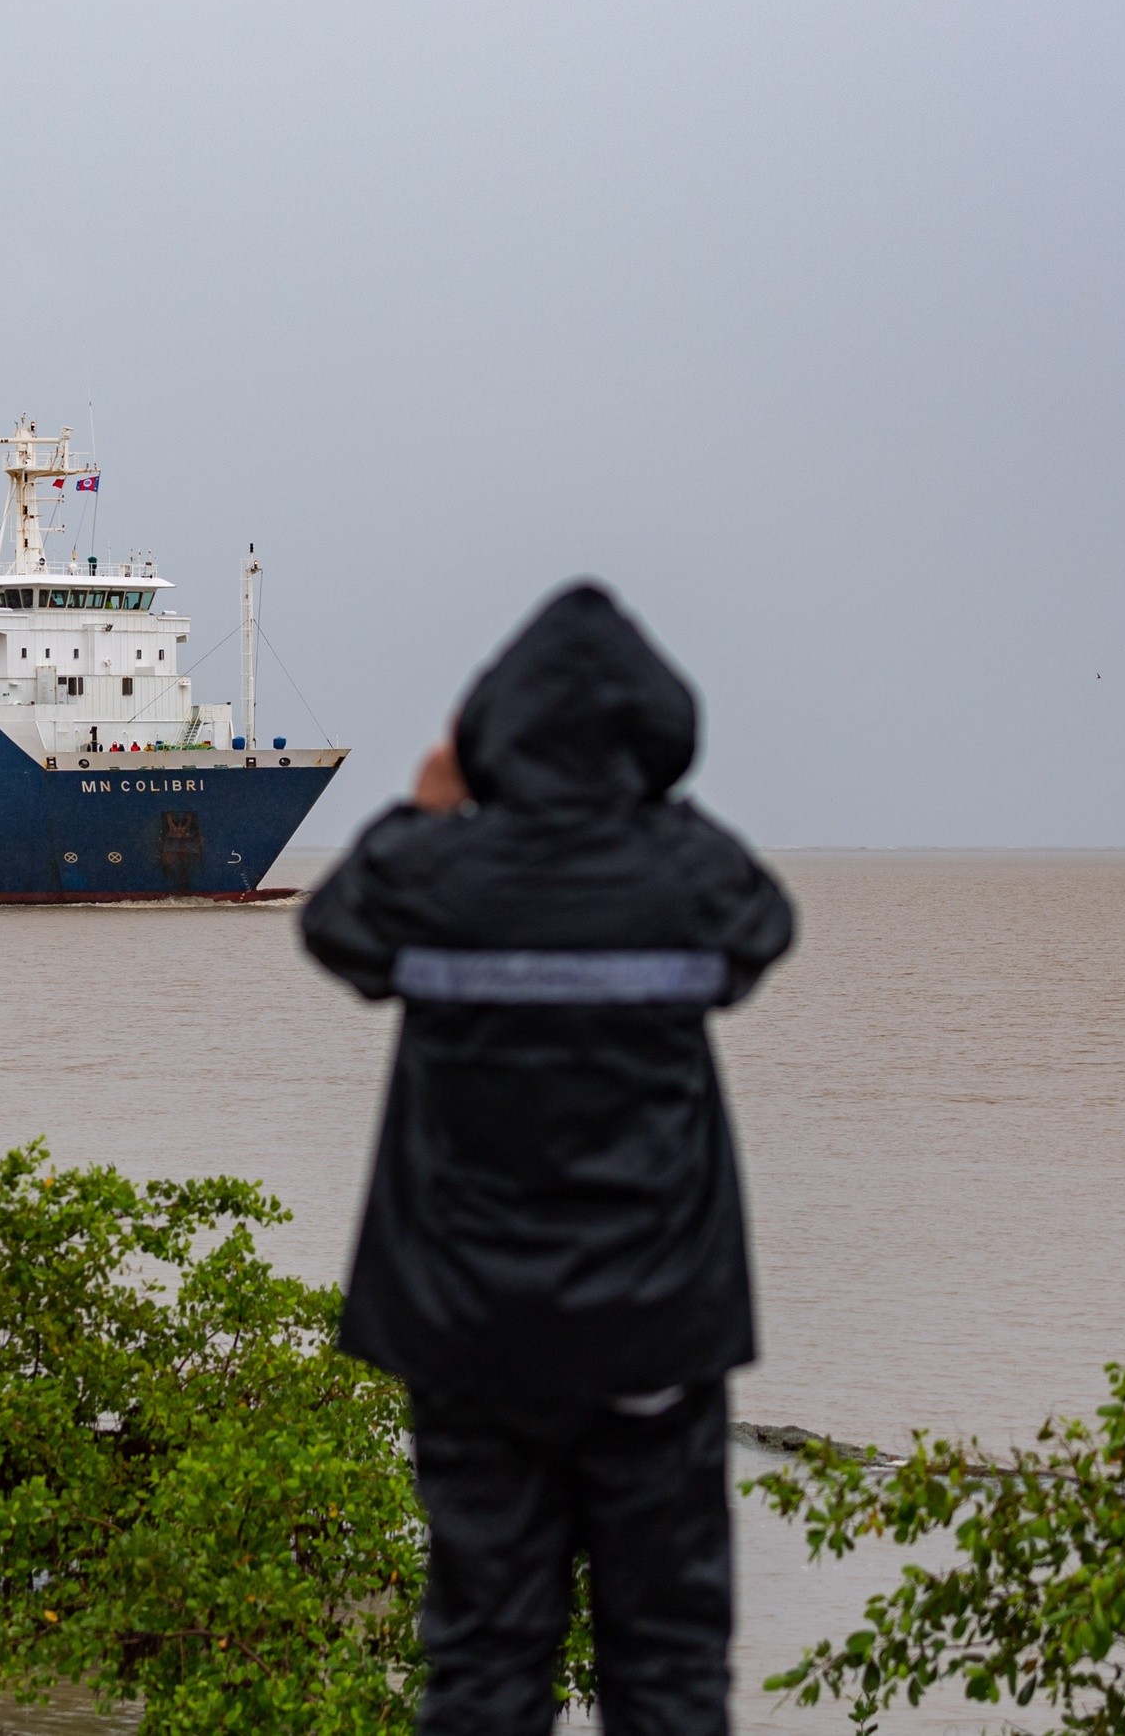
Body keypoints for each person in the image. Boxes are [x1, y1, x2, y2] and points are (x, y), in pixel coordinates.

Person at [301, 582, 795, 1736]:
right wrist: (653, 809)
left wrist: (426, 814)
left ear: (488, 734)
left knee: (482, 1657)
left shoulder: (439, 878)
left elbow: (336, 931)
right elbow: (763, 925)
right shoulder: (680, 873)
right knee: (669, 1662)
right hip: (655, 1339)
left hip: (473, 1341)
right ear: (657, 738)